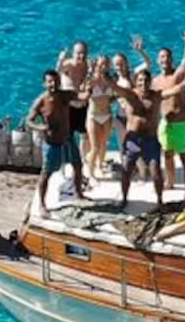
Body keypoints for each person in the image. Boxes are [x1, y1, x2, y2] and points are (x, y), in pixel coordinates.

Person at [111, 59, 185, 211]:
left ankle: (160, 201)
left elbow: (173, 90)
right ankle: (124, 198)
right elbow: (114, 86)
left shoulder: (156, 95)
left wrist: (184, 84)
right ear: (136, 82)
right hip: (132, 140)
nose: (143, 83)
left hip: (150, 140)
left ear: (150, 82)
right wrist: (103, 76)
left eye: (146, 80)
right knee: (126, 171)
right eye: (140, 80)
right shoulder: (130, 95)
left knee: (155, 173)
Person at [143, 31, 185, 202]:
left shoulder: (178, 75)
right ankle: (170, 182)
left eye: (167, 57)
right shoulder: (155, 81)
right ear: (158, 60)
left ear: (171, 59)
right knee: (167, 155)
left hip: (181, 124)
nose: (164, 59)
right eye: (161, 57)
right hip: (165, 125)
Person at [26, 69, 86, 216]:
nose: (53, 84)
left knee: (78, 165)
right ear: (44, 83)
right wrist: (40, 127)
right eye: (50, 81)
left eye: (56, 81)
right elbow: (28, 121)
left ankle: (79, 194)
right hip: (52, 143)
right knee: (47, 174)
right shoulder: (41, 101)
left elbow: (81, 97)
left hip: (68, 138)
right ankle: (42, 204)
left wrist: (89, 90)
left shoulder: (65, 95)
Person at [83, 56, 118, 179]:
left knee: (104, 144)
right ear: (97, 64)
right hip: (93, 116)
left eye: (106, 64)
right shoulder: (91, 80)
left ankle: (99, 165)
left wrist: (110, 100)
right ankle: (91, 173)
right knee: (95, 146)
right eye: (101, 64)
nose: (104, 67)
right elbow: (83, 90)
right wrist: (89, 72)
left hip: (107, 116)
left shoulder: (111, 79)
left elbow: (115, 95)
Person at [55, 42, 91, 160]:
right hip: (68, 106)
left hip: (83, 105)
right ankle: (65, 164)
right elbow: (56, 73)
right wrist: (60, 59)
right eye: (78, 53)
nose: (82, 56)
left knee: (85, 135)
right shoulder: (67, 65)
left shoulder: (87, 65)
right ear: (73, 53)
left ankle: (82, 159)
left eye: (84, 53)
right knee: (66, 136)